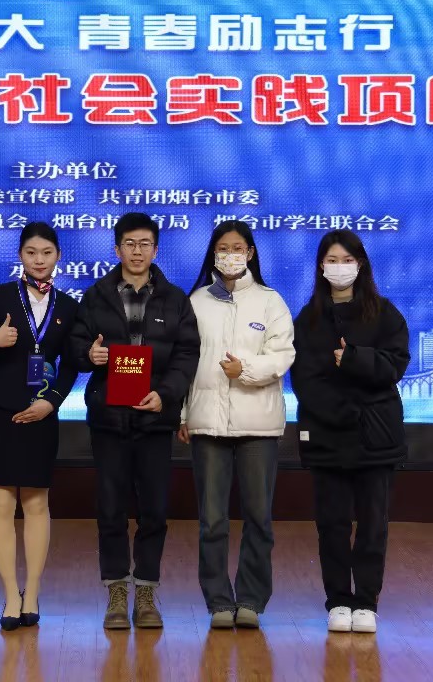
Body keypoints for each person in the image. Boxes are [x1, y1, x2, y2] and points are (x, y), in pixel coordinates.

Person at [70, 212, 200, 630]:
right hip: (109, 418)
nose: (137, 251)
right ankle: (115, 591)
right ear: (117, 249)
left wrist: (166, 394)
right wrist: (89, 355)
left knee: (154, 510)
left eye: (145, 244)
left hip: (154, 418)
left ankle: (145, 591)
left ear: (156, 249)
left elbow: (187, 354)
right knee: (110, 508)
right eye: (129, 243)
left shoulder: (175, 299)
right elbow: (76, 344)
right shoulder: (96, 295)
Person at [291, 229, 410, 635]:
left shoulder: (385, 313)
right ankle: (339, 599)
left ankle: (367, 602)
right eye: (332, 260)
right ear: (320, 267)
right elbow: (304, 378)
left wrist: (355, 359)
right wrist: (340, 411)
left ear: (360, 265)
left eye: (347, 260)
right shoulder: (308, 319)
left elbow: (394, 366)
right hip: (327, 434)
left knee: (373, 524)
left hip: (375, 437)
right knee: (332, 524)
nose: (339, 268)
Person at [179, 220, 295, 630]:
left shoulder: (270, 301)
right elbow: (184, 362)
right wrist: (182, 414)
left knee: (258, 517)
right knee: (212, 519)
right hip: (207, 424)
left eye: (237, 248)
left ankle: (250, 600)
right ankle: (217, 601)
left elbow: (282, 354)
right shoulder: (196, 302)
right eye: (223, 248)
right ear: (213, 253)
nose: (230, 255)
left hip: (258, 424)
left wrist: (244, 369)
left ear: (250, 253)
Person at [0, 223, 78, 631]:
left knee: (36, 505)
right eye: (31, 252)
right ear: (20, 256)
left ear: (58, 256)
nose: (39, 260)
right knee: (0, 505)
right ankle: (10, 594)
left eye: (46, 252)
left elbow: (72, 365)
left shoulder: (68, 306)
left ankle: (32, 593)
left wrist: (52, 402)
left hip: (40, 415)